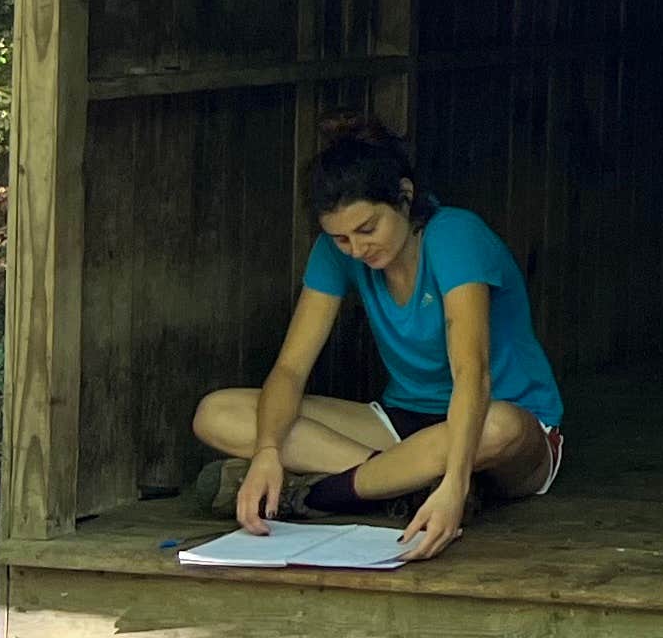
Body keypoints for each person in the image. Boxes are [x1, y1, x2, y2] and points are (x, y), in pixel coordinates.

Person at [191, 118, 567, 564]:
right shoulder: (337, 251)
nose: (356, 248)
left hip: (498, 428)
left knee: (501, 425)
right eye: (341, 238)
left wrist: (454, 484)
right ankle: (401, 484)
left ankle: (322, 495)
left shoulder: (454, 236)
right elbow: (290, 369)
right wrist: (269, 451)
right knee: (217, 413)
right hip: (399, 425)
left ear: (405, 198)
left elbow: (473, 373)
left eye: (368, 229)